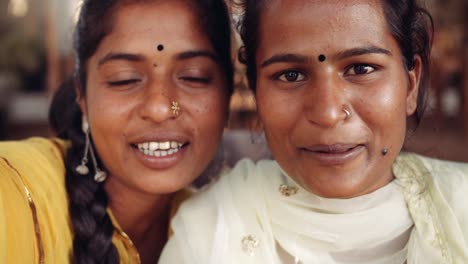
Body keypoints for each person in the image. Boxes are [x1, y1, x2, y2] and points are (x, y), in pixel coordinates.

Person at [160, 0, 468, 263]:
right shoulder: (210, 232)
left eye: (361, 69)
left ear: (411, 85)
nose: (328, 113)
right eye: (290, 75)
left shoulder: (460, 205)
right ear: (256, 93)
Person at [0, 0, 233, 263]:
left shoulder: (231, 230)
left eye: (194, 76)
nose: (159, 108)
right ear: (82, 96)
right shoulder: (12, 191)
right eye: (125, 79)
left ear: (227, 95)